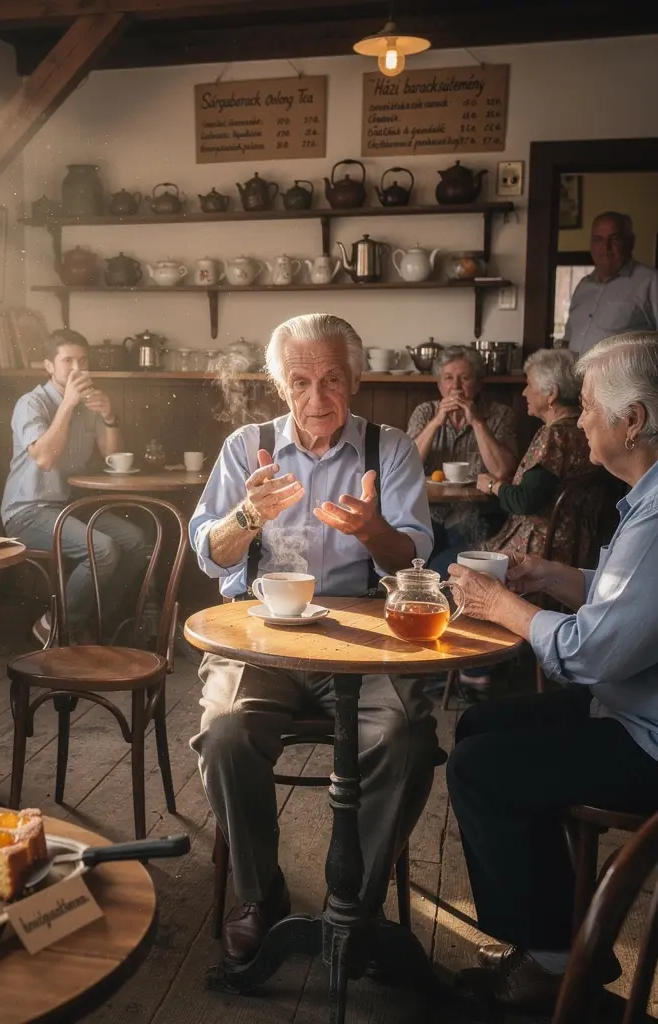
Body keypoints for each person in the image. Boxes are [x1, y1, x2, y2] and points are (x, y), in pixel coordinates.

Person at [188, 313, 438, 965]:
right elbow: (208, 554)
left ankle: (352, 905)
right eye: (300, 382)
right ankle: (259, 893)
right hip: (260, 636)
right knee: (226, 734)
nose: (317, 398)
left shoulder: (391, 449)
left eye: (332, 379)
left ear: (355, 379)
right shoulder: (248, 446)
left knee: (405, 735)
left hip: (359, 636)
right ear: (279, 385)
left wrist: (373, 531)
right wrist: (248, 515)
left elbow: (411, 557)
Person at [445, 331, 658, 1013]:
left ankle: (555, 963)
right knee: (479, 724)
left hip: (646, 740)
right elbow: (628, 600)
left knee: (482, 767)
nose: (581, 418)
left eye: (591, 406)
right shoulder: (645, 502)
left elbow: (592, 654)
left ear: (635, 421)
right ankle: (553, 934)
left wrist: (501, 605)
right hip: (630, 708)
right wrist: (551, 577)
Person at [1, 328, 150, 644]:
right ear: (49, 366)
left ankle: (91, 621)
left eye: (83, 360)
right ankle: (57, 625)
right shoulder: (31, 403)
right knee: (103, 549)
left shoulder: (89, 401)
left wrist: (109, 416)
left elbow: (112, 455)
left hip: (69, 507)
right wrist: (67, 405)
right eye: (67, 360)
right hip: (27, 511)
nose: (77, 368)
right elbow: (44, 458)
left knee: (137, 542)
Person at [430, 348, 592, 574]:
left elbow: (524, 501)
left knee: (438, 565)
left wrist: (491, 485)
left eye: (530, 385)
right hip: (574, 542)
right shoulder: (583, 429)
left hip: (538, 546)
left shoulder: (553, 436)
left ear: (551, 394)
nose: (524, 392)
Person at [407, 344, 519, 556]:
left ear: (478, 384)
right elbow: (407, 464)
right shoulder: (425, 412)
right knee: (415, 553)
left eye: (464, 378)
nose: (456, 386)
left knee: (452, 558)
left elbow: (503, 471)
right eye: (448, 378)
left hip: (478, 514)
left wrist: (477, 421)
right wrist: (435, 423)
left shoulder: (500, 415)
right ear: (440, 385)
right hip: (428, 513)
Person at [562, 212, 658, 356]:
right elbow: (567, 339)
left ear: (631, 243)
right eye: (598, 239)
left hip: (626, 378)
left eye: (615, 239)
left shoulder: (650, 281)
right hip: (575, 377)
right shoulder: (583, 286)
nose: (606, 247)